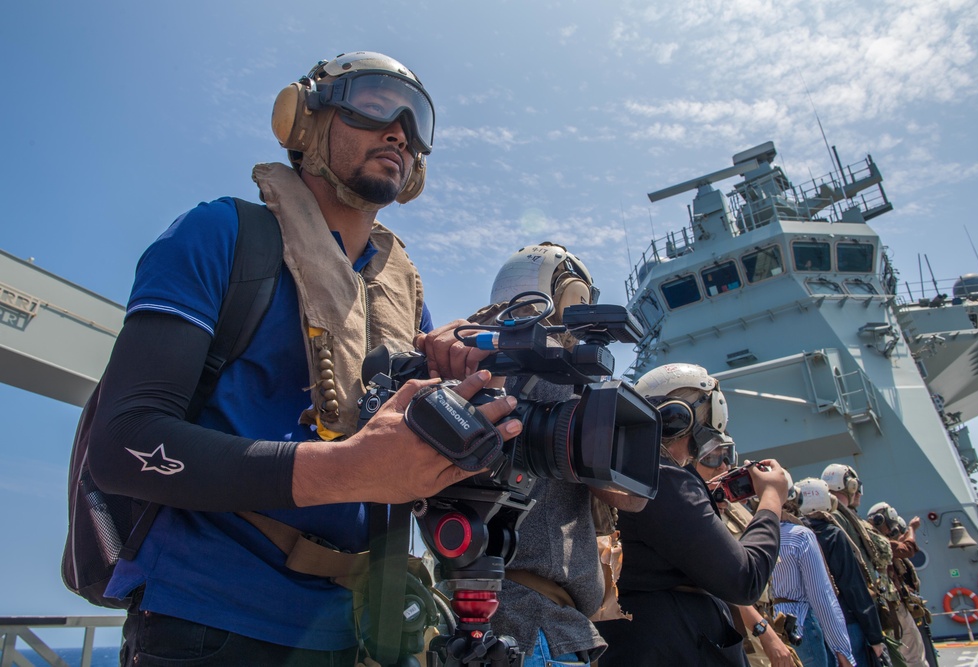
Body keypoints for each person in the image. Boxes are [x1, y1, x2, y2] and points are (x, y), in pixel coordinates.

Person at [88, 51, 522, 667]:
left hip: (355, 632)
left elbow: (410, 474)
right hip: (210, 623)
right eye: (372, 103)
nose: (398, 130)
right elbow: (122, 445)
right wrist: (349, 468)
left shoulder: (403, 298)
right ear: (303, 119)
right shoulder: (219, 235)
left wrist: (471, 407)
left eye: (415, 121)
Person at [479, 242, 649, 667]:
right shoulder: (554, 385)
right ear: (567, 296)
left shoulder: (481, 376)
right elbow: (633, 495)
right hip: (536, 625)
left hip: (505, 618)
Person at [594, 363, 788, 666]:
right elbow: (745, 580)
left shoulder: (615, 472)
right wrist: (773, 496)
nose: (697, 454)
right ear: (679, 420)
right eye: (703, 437)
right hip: (676, 646)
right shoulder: (661, 478)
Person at [694, 435, 800, 667]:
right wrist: (764, 632)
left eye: (727, 455)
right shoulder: (693, 514)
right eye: (711, 457)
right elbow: (722, 580)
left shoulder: (733, 508)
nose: (723, 465)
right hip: (744, 635)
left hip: (764, 623)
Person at [770, 474, 856, 667]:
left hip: (765, 634)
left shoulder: (747, 536)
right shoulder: (800, 537)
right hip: (800, 629)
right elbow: (822, 597)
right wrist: (842, 650)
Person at [798, 478, 885, 667]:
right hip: (846, 624)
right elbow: (853, 586)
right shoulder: (833, 535)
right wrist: (875, 636)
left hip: (810, 628)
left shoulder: (792, 536)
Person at [822, 464, 902, 665]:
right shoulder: (838, 519)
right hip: (855, 613)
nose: (857, 492)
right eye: (856, 486)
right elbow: (852, 574)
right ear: (849, 485)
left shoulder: (837, 517)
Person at [868, 503, 930, 667]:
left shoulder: (868, 537)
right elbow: (906, 549)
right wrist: (912, 529)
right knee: (914, 655)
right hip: (893, 607)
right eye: (889, 527)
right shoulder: (876, 539)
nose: (889, 532)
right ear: (880, 520)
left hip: (885, 608)